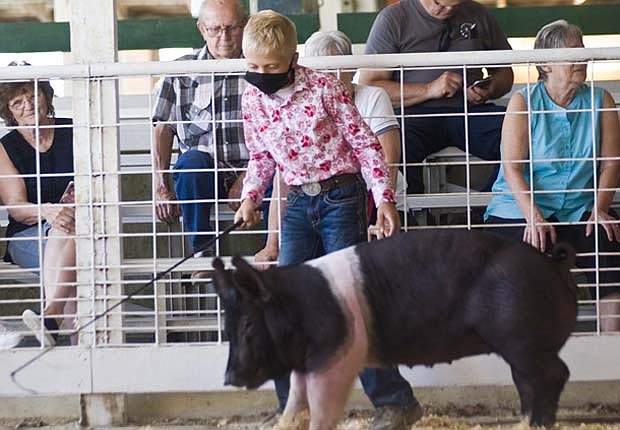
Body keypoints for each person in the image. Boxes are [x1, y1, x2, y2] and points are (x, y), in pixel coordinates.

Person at [234, 11, 420, 430]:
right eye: (253, 67)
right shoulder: (251, 97)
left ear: (293, 58)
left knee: (348, 301)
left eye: (270, 67)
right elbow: (261, 155)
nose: (260, 75)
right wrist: (250, 199)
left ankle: (394, 401)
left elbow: (366, 145)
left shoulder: (323, 89)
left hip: (341, 195)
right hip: (297, 201)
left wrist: (384, 199)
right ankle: (292, 409)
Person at [484, 20, 620, 332]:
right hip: (520, 207)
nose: (582, 59)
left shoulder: (601, 101)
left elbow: (611, 163)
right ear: (545, 63)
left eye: (582, 51)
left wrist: (599, 209)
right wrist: (532, 215)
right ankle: (531, 353)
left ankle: (612, 353)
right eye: (573, 52)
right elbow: (512, 168)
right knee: (526, 251)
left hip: (579, 207)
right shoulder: (523, 102)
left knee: (607, 243)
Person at [255, 30, 403, 264]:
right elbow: (275, 168)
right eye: (320, 70)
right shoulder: (270, 99)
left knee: (344, 275)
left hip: (350, 193)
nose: (328, 77)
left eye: (335, 68)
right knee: (294, 275)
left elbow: (381, 154)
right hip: (302, 196)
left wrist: (383, 201)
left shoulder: (361, 95)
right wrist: (271, 241)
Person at [359, 0, 514, 195]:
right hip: (413, 115)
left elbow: (505, 74)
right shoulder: (393, 19)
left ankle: (493, 202)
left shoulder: (479, 14)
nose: (448, 10)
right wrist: (429, 89)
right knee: (391, 146)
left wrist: (489, 88)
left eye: (455, 5)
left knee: (526, 130)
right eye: (440, 3)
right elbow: (371, 85)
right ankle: (408, 213)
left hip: (470, 111)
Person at [151, 0, 250, 254]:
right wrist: (160, 186)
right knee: (191, 161)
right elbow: (162, 127)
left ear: (245, 25)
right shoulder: (180, 71)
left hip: (255, 170)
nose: (224, 37)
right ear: (202, 29)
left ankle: (279, 257)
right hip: (205, 174)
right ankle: (202, 253)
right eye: (215, 29)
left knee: (285, 176)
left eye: (232, 28)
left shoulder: (261, 67)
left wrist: (250, 177)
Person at [0, 62, 76, 347]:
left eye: (34, 95)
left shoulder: (75, 130)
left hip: (78, 227)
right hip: (27, 236)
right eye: (17, 102)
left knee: (69, 230)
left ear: (46, 95)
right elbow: (17, 207)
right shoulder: (6, 147)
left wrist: (76, 197)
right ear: (8, 111)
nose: (28, 105)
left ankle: (52, 320)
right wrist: (49, 209)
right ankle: (59, 326)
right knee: (71, 242)